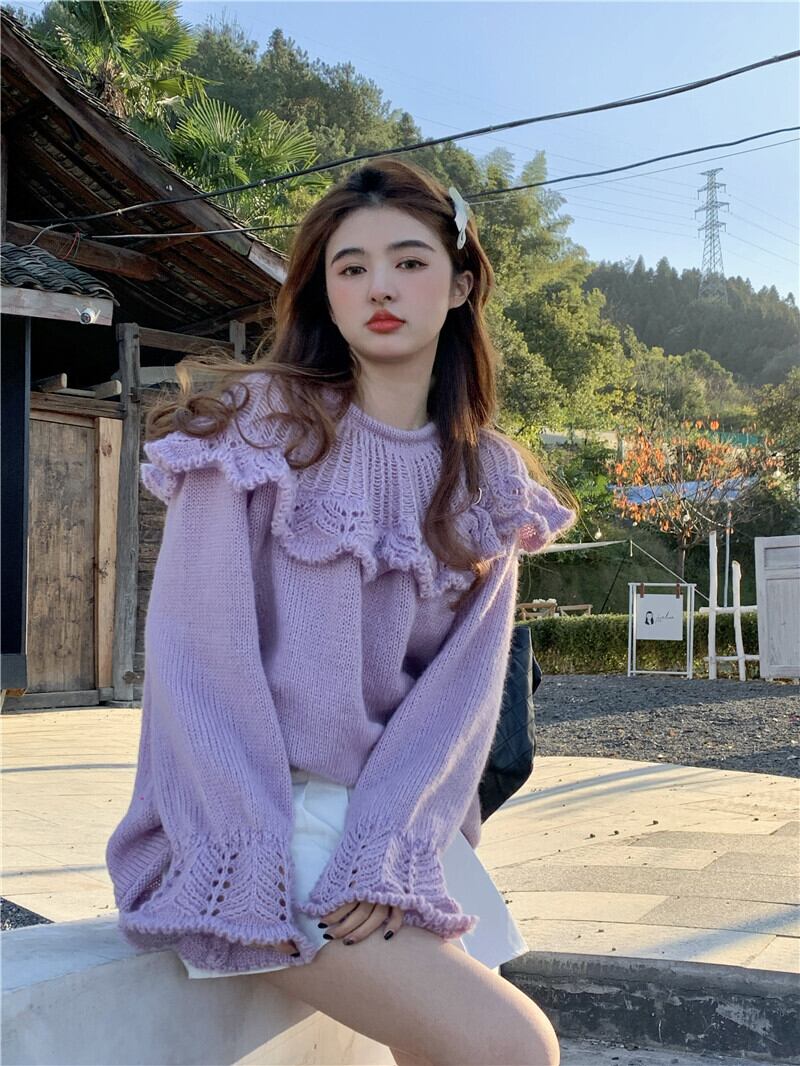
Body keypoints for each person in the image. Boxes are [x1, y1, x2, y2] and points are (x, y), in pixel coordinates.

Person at [106, 157, 575, 1066]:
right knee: (515, 1047)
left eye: (409, 261)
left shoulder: (488, 476)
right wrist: (248, 851)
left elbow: (459, 701)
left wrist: (387, 845)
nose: (379, 288)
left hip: (385, 827)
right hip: (241, 818)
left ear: (461, 284)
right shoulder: (259, 425)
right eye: (351, 268)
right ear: (325, 292)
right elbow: (198, 662)